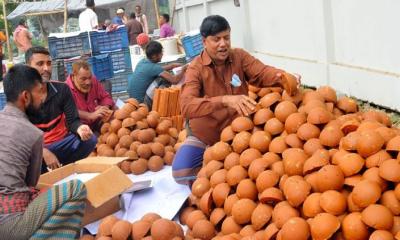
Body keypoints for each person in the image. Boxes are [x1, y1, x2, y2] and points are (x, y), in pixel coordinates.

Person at [172, 15, 300, 185]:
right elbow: (187, 106)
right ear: (204, 41)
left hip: (240, 131)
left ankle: (228, 174)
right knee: (181, 172)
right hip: (207, 135)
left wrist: (283, 76)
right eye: (216, 39)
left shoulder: (239, 57)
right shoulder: (195, 68)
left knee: (260, 167)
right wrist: (224, 100)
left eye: (226, 38)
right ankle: (213, 171)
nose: (223, 44)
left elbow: (261, 72)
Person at [0, 64, 87, 239]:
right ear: (25, 96)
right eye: (40, 92)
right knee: (76, 188)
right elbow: (31, 183)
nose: (43, 98)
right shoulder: (32, 133)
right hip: (9, 225)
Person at [25, 47, 96, 172]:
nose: (46, 68)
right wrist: (43, 152)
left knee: (90, 139)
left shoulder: (62, 89)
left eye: (48, 63)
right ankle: (44, 172)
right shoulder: (22, 96)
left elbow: (73, 121)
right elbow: (18, 137)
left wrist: (80, 128)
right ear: (28, 67)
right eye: (40, 64)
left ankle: (65, 169)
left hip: (62, 143)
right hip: (37, 149)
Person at [128, 41, 187, 107]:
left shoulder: (142, 62)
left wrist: (172, 66)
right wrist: (183, 69)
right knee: (163, 79)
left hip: (133, 102)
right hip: (142, 105)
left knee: (162, 74)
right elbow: (174, 80)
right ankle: (162, 105)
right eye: (161, 53)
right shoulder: (154, 67)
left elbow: (157, 70)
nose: (162, 54)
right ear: (154, 56)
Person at [66, 60, 115, 133]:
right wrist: (89, 115)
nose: (88, 82)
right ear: (73, 76)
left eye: (89, 78)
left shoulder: (93, 80)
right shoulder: (65, 89)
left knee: (115, 125)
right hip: (79, 127)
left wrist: (104, 107)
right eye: (83, 79)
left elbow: (105, 97)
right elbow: (68, 112)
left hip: (96, 121)